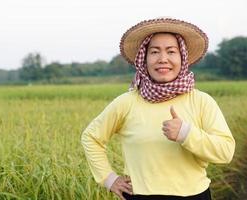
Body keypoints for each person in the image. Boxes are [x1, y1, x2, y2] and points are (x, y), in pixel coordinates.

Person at [81, 17, 235, 200]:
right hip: (139, 195)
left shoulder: (202, 101)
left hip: (194, 195)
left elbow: (225, 151)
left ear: (182, 57)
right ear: (144, 59)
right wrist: (109, 179)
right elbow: (91, 137)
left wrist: (186, 133)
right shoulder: (127, 102)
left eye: (171, 51)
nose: (163, 59)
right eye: (154, 52)